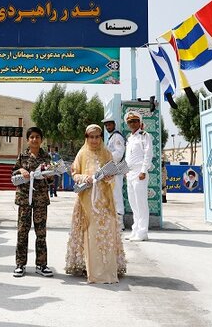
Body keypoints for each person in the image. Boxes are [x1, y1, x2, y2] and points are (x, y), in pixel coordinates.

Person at [65, 124, 126, 283]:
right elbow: (74, 173)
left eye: (97, 137)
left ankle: (106, 268)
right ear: (86, 138)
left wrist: (108, 178)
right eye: (91, 137)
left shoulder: (106, 153)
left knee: (104, 234)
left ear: (101, 138)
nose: (94, 140)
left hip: (104, 201)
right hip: (86, 201)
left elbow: (112, 174)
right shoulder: (81, 153)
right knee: (89, 233)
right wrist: (85, 178)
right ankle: (86, 266)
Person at [11, 126, 53, 278]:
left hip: (41, 199)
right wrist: (20, 170)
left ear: (41, 140)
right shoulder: (22, 156)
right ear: (28, 140)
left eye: (37, 137)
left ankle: (41, 265)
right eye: (32, 137)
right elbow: (13, 174)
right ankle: (20, 264)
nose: (34, 139)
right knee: (22, 232)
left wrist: (49, 176)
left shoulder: (46, 157)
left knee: (41, 233)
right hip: (24, 199)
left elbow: (51, 178)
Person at [124, 111, 153, 242]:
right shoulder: (129, 138)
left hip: (139, 173)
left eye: (135, 121)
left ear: (139, 122)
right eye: (130, 122)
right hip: (130, 173)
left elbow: (148, 154)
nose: (133, 123)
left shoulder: (144, 136)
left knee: (141, 203)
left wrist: (143, 170)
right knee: (133, 203)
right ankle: (135, 230)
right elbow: (128, 156)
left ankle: (142, 232)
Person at [102, 116, 126, 230]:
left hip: (116, 169)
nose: (108, 127)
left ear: (114, 125)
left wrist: (107, 158)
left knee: (117, 195)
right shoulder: (111, 137)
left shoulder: (117, 137)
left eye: (109, 125)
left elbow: (119, 154)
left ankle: (120, 223)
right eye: (106, 125)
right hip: (111, 169)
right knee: (111, 195)